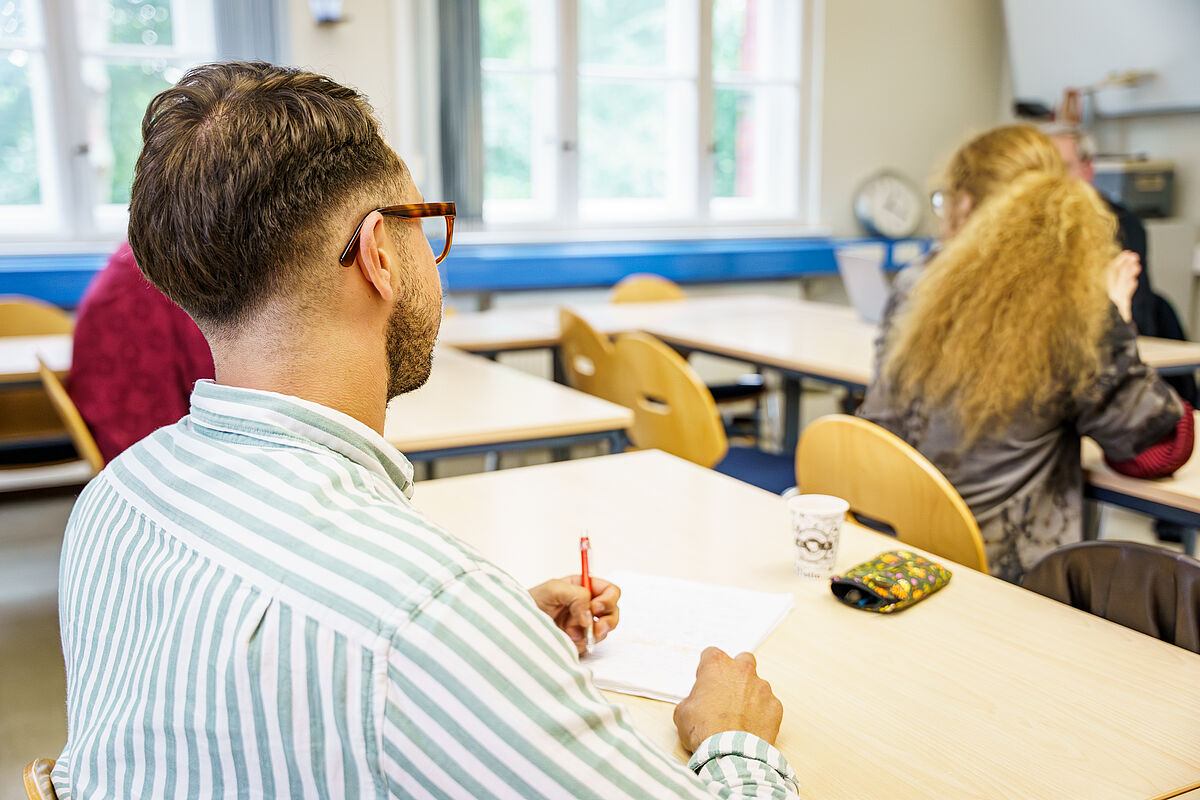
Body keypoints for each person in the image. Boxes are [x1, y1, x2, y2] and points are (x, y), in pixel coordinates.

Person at [52, 62, 799, 799]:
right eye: (425, 226)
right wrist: (733, 736)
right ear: (379, 254)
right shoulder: (422, 616)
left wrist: (498, 649)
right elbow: (398, 630)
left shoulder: (116, 497)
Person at [860, 125, 1193, 583]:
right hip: (1002, 581)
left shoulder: (915, 281)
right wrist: (1116, 322)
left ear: (966, 204)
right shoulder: (1069, 308)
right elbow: (1158, 449)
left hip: (893, 555)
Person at [68, 242, 215, 462]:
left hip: (117, 420)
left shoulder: (144, 254)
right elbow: (213, 369)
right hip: (143, 442)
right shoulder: (165, 268)